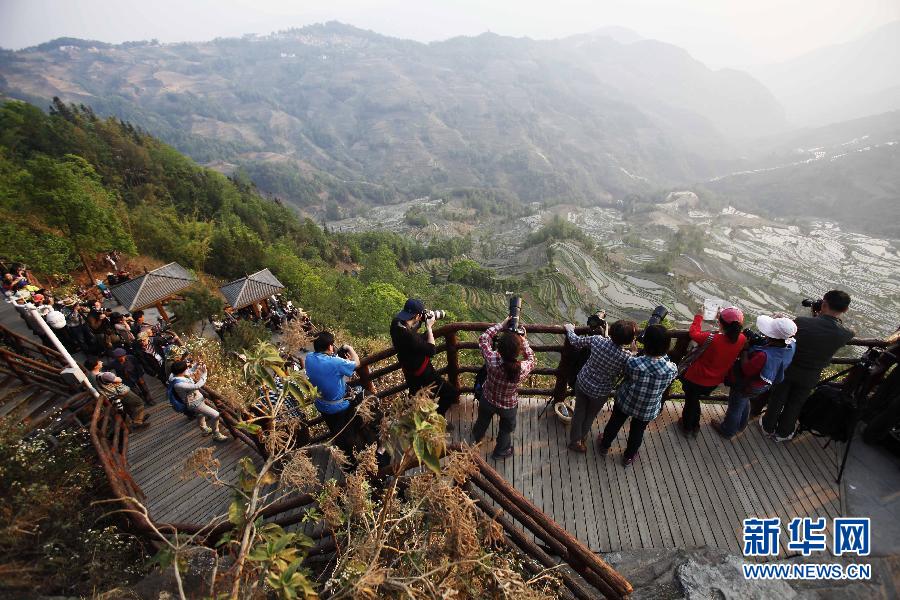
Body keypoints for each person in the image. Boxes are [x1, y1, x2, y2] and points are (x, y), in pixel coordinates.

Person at [761, 290, 854, 442]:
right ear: (845, 310)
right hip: (811, 375)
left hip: (789, 368)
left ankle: (767, 426)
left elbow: (795, 334)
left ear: (823, 304)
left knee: (778, 398)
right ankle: (783, 433)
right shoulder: (845, 333)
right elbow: (844, 331)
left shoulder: (802, 322)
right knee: (796, 403)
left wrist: (815, 316)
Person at [598, 324, 677, 466]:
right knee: (637, 431)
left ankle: (604, 445)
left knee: (615, 423)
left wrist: (634, 354)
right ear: (666, 345)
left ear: (645, 343)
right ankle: (628, 457)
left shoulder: (634, 362)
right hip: (647, 408)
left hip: (626, 401)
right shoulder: (671, 369)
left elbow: (627, 374)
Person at [712, 315, 797, 439]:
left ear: (773, 336)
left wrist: (745, 349)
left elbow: (746, 369)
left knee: (735, 406)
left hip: (748, 384)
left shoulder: (764, 356)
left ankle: (727, 430)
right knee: (744, 401)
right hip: (762, 385)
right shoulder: (791, 346)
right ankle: (741, 425)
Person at [564, 319, 638, 452]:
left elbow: (575, 341)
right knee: (590, 415)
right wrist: (633, 353)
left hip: (583, 383)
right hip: (601, 392)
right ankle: (582, 437)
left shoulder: (597, 340)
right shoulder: (627, 357)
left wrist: (570, 329)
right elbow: (630, 370)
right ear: (629, 340)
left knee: (579, 411)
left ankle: (575, 441)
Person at [472, 318, 536, 459]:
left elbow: (483, 339)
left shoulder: (492, 359)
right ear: (517, 352)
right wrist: (523, 340)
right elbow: (531, 358)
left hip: (487, 399)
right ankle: (501, 451)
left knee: (482, 421)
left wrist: (501, 325)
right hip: (508, 405)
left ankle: (476, 439)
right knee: (506, 430)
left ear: (499, 348)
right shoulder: (522, 368)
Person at [679, 306, 746, 438]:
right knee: (694, 400)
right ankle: (694, 425)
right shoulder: (742, 339)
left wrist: (699, 316)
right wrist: (721, 320)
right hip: (714, 381)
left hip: (695, 378)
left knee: (691, 401)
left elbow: (693, 333)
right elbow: (729, 333)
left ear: (721, 322)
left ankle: (688, 427)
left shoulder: (711, 339)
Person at [390, 298, 459, 418]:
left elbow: (411, 328)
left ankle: (417, 418)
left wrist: (421, 321)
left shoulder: (396, 324)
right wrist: (429, 327)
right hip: (424, 373)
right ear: (417, 316)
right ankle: (436, 418)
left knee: (416, 396)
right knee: (451, 393)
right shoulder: (410, 337)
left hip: (409, 372)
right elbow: (432, 350)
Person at [305, 331, 366, 458]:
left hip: (321, 405)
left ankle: (342, 445)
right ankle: (355, 445)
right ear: (330, 346)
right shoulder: (335, 363)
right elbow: (358, 363)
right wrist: (350, 348)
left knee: (336, 430)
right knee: (362, 391)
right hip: (338, 407)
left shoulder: (309, 357)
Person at [168, 360, 228, 441]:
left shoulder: (174, 375)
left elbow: (189, 372)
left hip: (195, 400)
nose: (187, 370)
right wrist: (204, 374)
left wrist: (196, 365)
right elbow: (197, 386)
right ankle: (216, 434)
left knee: (200, 414)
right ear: (181, 371)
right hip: (194, 403)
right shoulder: (179, 384)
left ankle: (204, 430)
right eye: (185, 369)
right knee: (215, 415)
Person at [84, 356, 148, 427]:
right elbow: (119, 380)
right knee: (139, 403)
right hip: (121, 392)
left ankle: (136, 420)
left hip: (111, 396)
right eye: (99, 362)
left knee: (127, 408)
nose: (101, 362)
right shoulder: (104, 375)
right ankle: (138, 421)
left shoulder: (90, 376)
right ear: (96, 366)